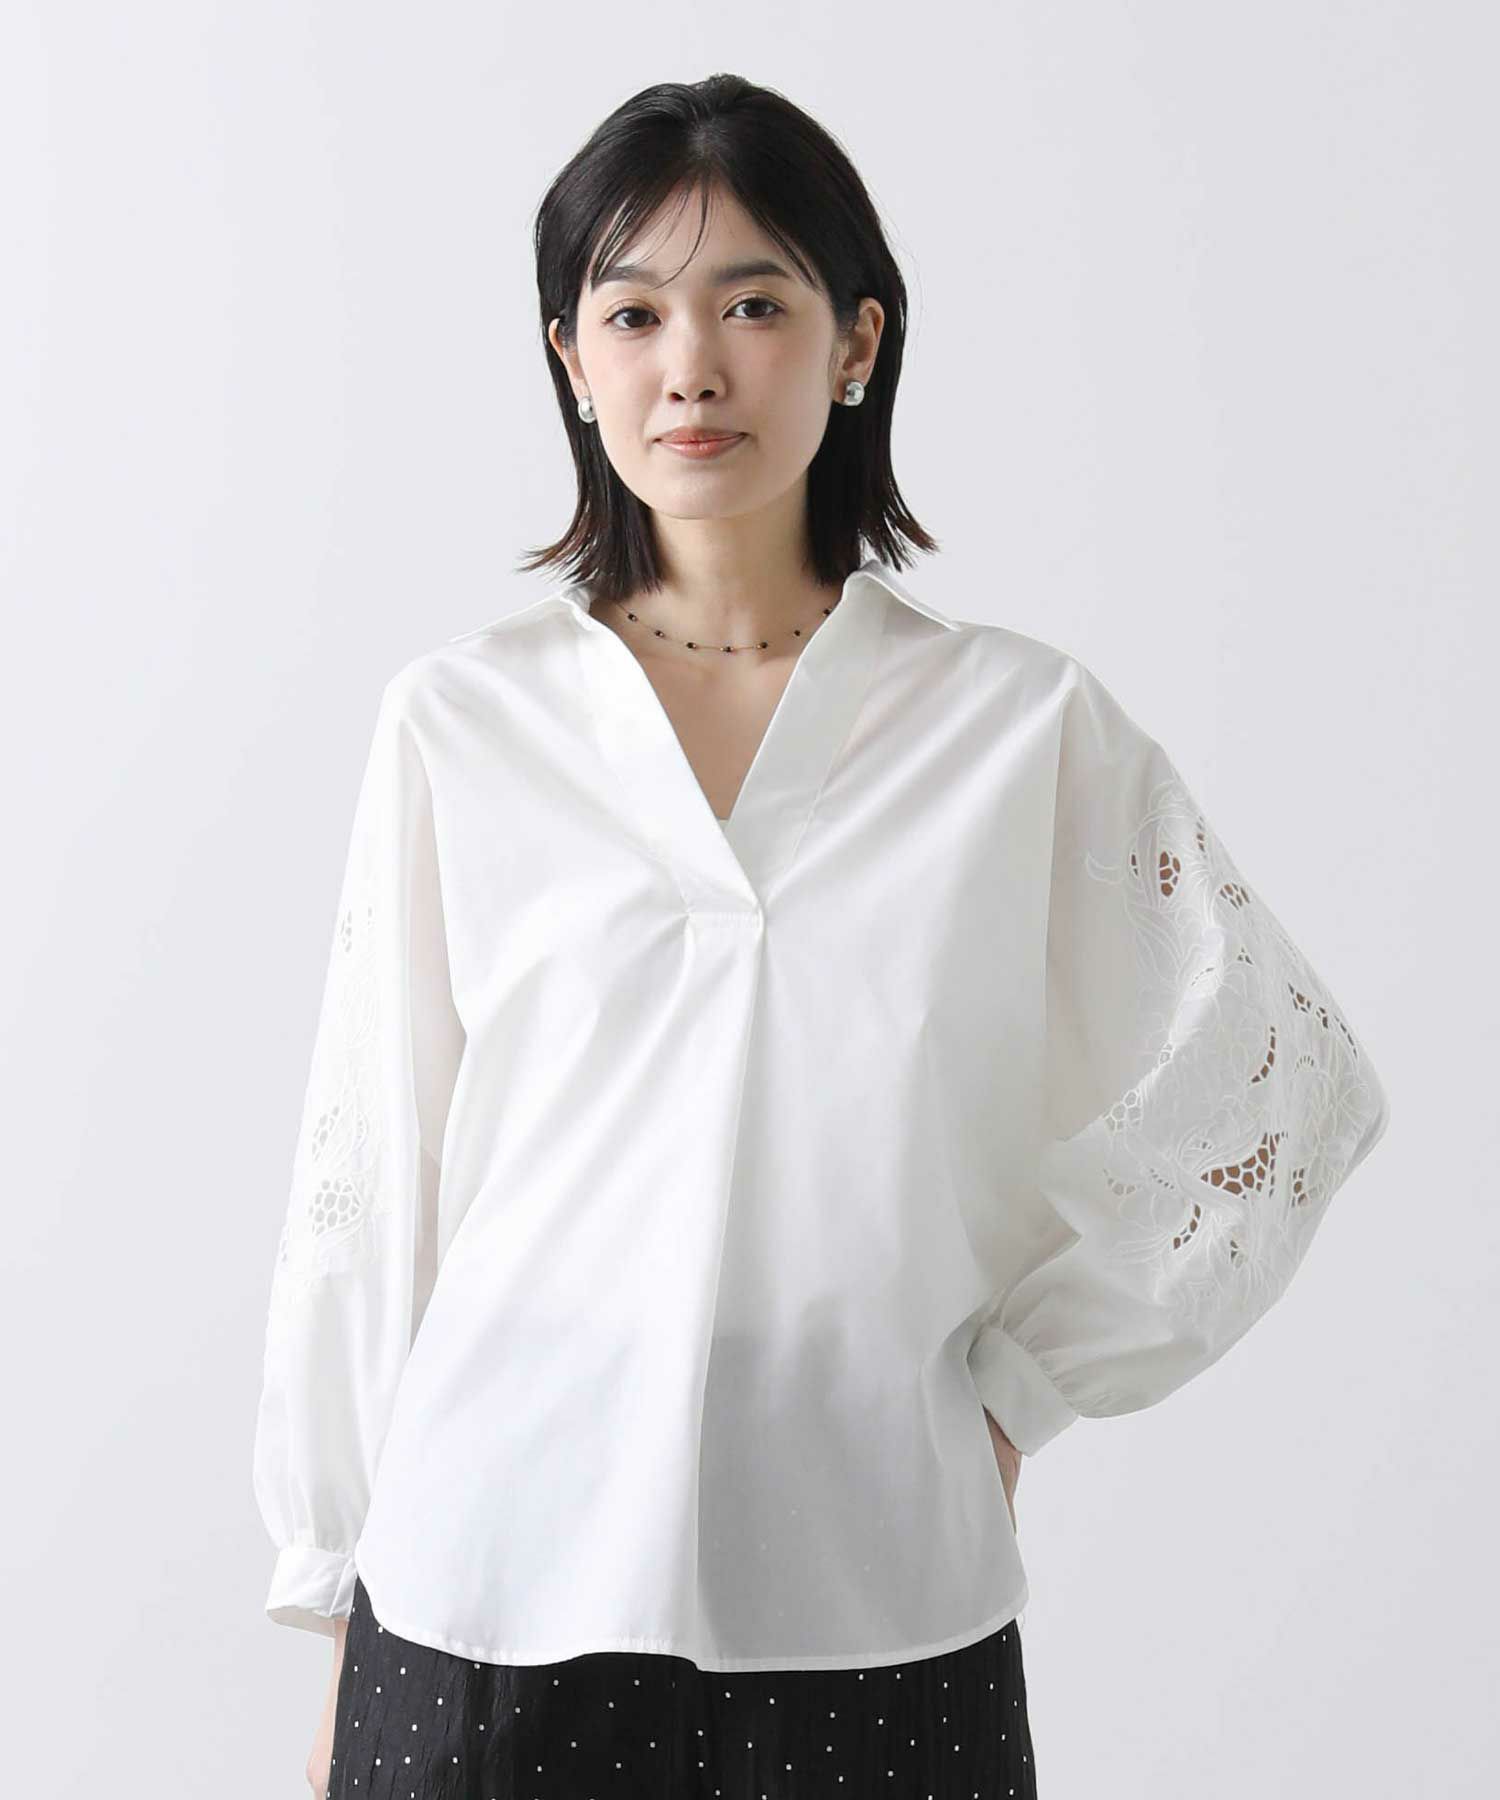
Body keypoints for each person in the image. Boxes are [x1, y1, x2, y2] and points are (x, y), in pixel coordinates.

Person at [252, 73, 1392, 1800]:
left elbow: (1279, 1082)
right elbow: (371, 1182)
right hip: (485, 1592)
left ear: (857, 342)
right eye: (632, 314)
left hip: (876, 1605)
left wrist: (1021, 1387)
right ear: (572, 361)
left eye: (754, 305)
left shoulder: (1017, 730)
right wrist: (341, 1592)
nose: (689, 367)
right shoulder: (462, 726)